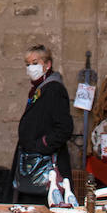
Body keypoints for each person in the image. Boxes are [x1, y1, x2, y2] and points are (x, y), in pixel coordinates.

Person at [11, 44, 75, 202]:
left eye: (35, 63)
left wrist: (41, 145)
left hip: (45, 163)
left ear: (47, 65)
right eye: (27, 64)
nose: (30, 68)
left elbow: (64, 128)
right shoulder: (38, 90)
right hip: (31, 161)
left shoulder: (54, 90)